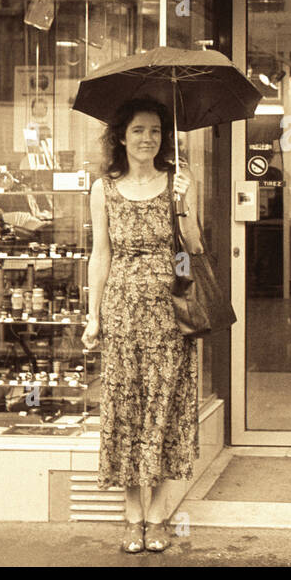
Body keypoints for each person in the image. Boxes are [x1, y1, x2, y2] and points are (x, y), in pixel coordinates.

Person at [80, 96, 203, 554]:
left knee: (167, 410)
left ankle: (159, 515)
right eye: (138, 131)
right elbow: (101, 255)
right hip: (122, 312)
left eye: (154, 131)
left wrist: (185, 203)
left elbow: (194, 248)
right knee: (127, 410)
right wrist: (93, 316)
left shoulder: (176, 184)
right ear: (121, 137)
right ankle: (132, 515)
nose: (147, 139)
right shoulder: (103, 189)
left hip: (172, 312)